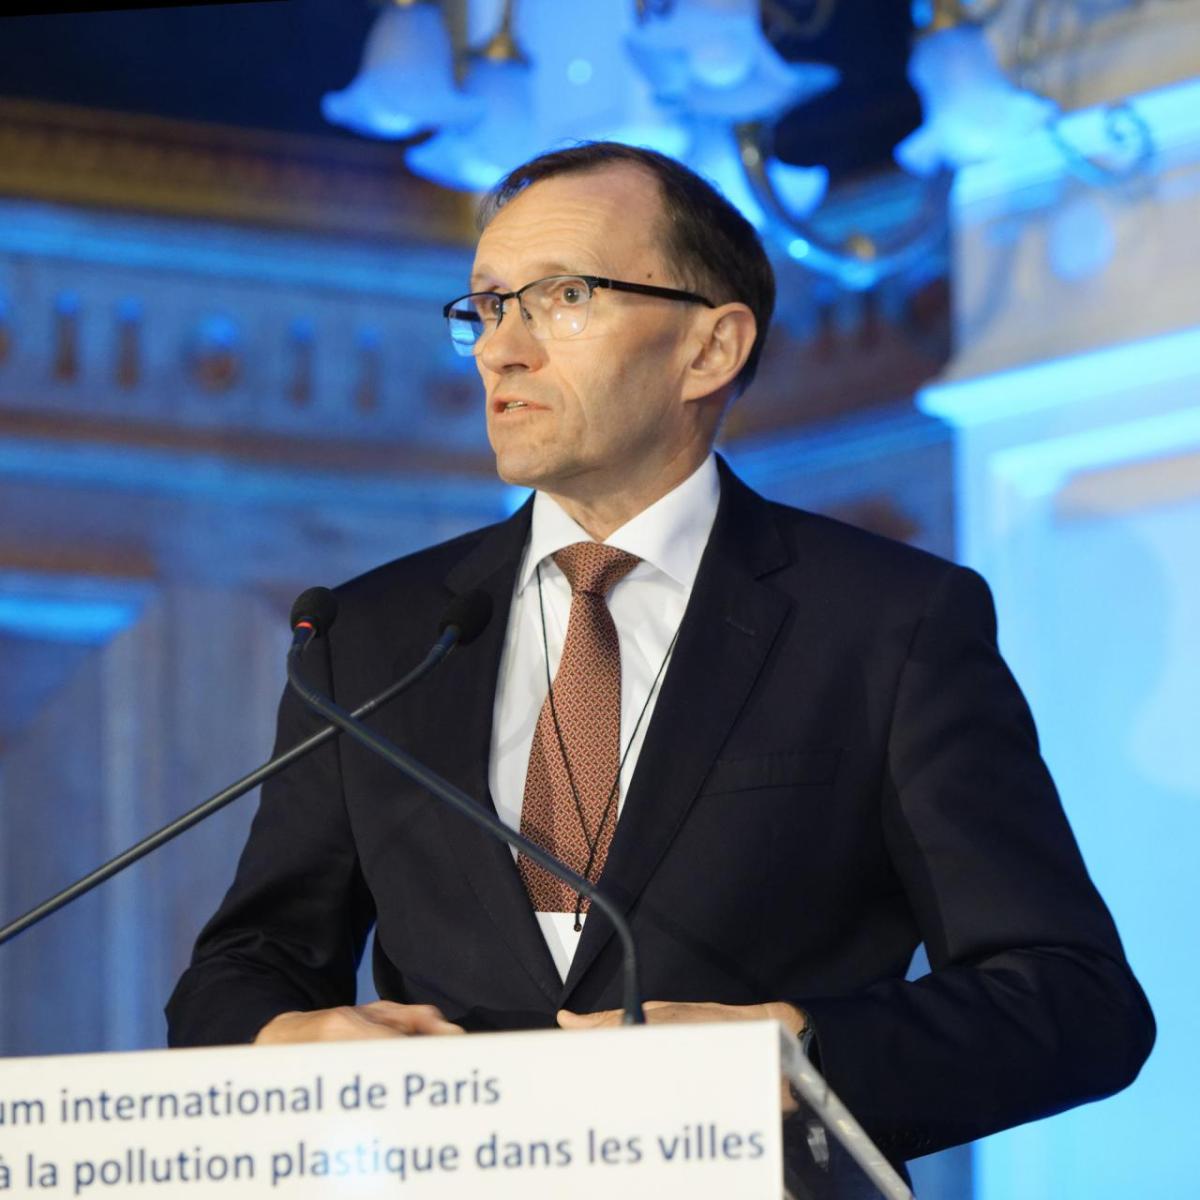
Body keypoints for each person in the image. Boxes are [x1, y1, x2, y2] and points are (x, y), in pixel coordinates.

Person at [167, 143, 1153, 1167]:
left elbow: (1074, 1002)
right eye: (487, 307)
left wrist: (806, 1055)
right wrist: (281, 1038)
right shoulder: (373, 636)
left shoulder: (886, 625)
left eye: (561, 297)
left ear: (711, 349)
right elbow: (246, 964)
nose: (502, 350)